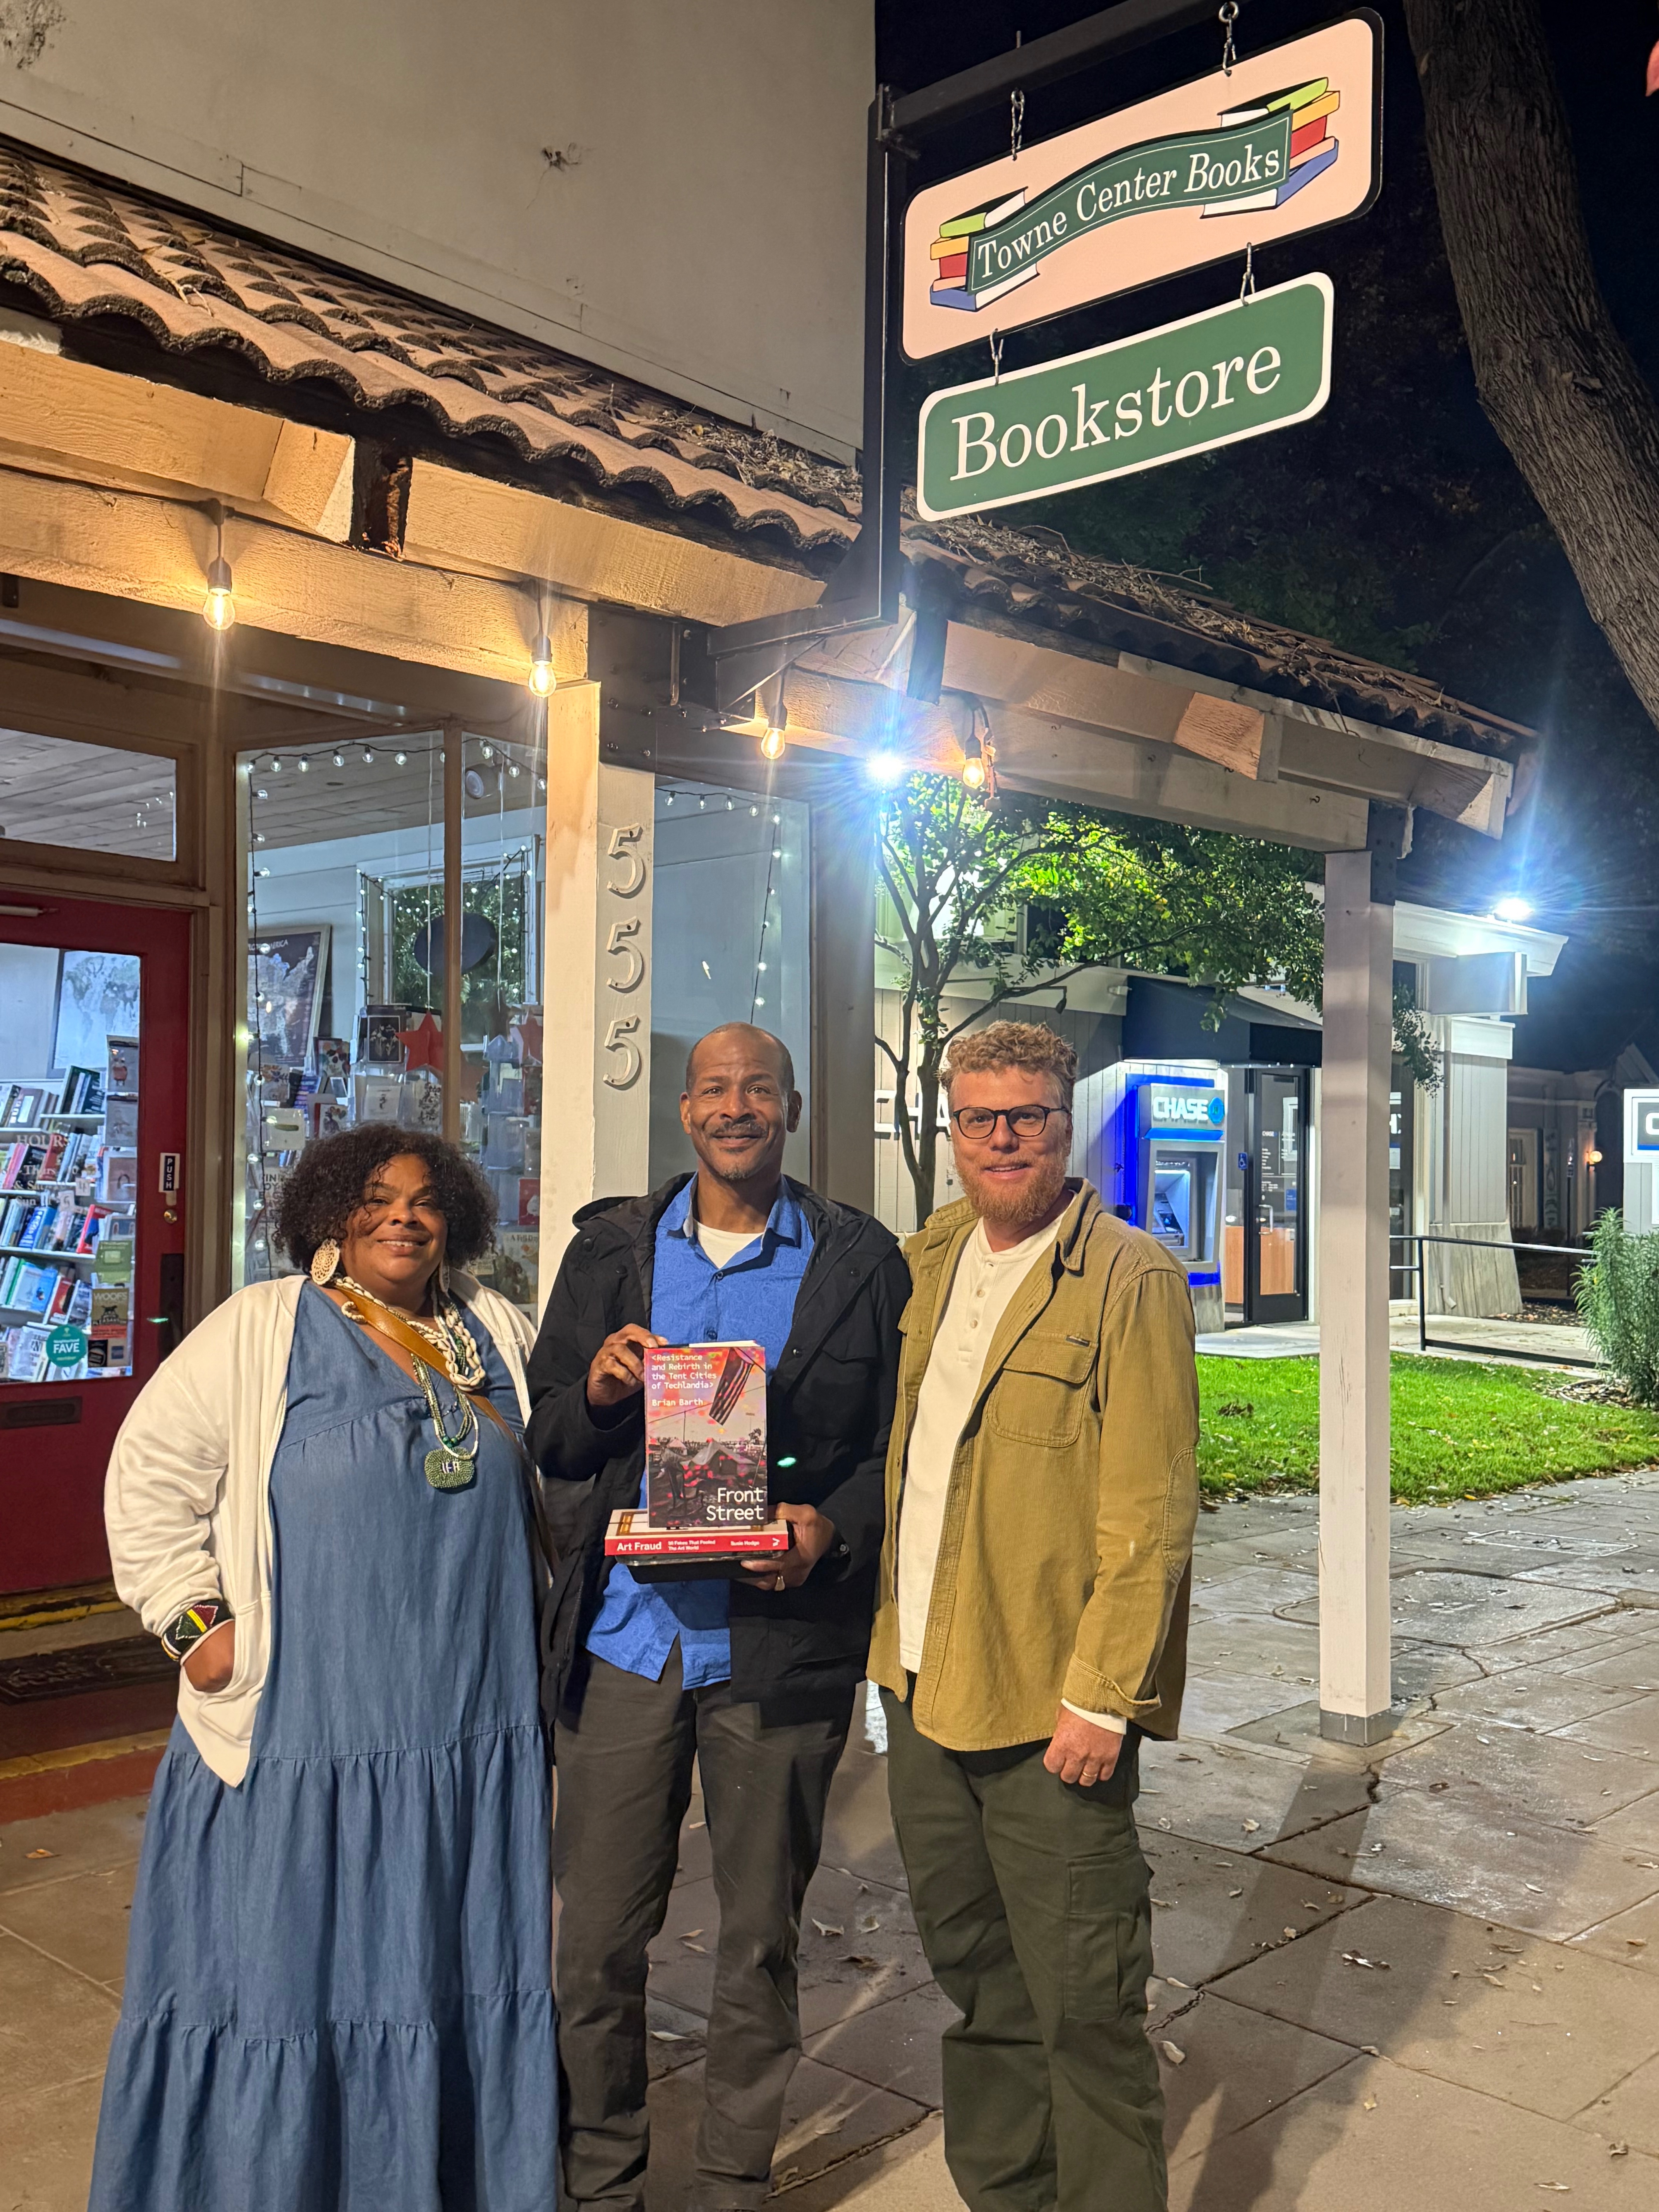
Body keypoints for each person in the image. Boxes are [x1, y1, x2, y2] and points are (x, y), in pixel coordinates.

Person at [91, 1128, 556, 2212]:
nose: (404, 1217)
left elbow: (567, 1461)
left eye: (427, 1201)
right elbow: (148, 1476)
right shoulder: (262, 1328)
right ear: (332, 1213)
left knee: (448, 1969)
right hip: (306, 1729)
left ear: (457, 1221)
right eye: (378, 1197)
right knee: (282, 1978)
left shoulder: (496, 1330)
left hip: (469, 1726)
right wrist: (196, 1627)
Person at [528, 1022, 908, 2212]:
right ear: (685, 1110)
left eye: (757, 1088)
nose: (734, 1106)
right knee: (594, 1943)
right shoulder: (611, 1250)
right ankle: (602, 2179)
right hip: (625, 1643)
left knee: (758, 1945)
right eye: (712, 1089)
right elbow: (548, 1431)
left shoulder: (858, 1260)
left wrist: (828, 1529)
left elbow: (896, 1450)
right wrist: (599, 1390)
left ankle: (734, 2181)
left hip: (777, 1651)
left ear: (791, 1107)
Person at [868, 1021, 1200, 2212]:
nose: (1002, 1138)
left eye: (1028, 1117)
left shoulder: (1127, 1277)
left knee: (1085, 2008)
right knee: (980, 1989)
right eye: (980, 1118)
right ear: (950, 1129)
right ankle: (1008, 2195)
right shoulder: (927, 1257)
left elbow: (1152, 1513)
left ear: (1067, 1127)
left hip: (1047, 1709)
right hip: (920, 1687)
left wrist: (1102, 1699)